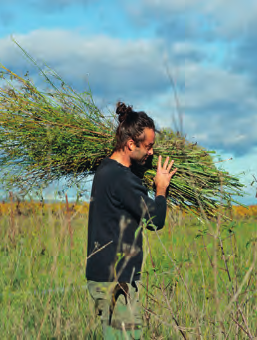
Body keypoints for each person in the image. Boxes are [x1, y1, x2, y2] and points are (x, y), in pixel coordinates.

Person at [86, 102, 177, 339]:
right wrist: (161, 188)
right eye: (148, 147)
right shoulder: (122, 179)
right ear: (130, 144)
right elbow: (155, 219)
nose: (151, 153)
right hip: (118, 280)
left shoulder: (105, 169)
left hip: (102, 276)